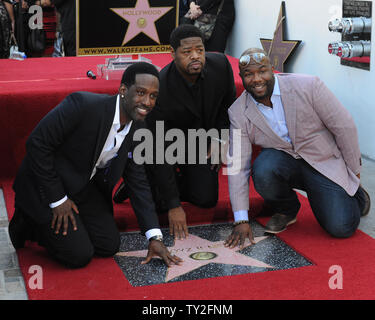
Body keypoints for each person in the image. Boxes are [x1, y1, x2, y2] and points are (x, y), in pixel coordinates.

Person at [9, 62, 182, 268]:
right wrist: (57, 200)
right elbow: (37, 144)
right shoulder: (83, 104)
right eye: (141, 92)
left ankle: (68, 228)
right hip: (45, 185)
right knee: (79, 255)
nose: (147, 102)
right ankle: (26, 221)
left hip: (83, 185)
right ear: (123, 90)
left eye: (153, 96)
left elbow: (137, 179)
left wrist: (154, 237)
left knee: (108, 245)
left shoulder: (139, 126)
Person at [224, 48, 371, 249]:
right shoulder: (238, 112)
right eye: (249, 74)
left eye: (262, 71)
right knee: (263, 168)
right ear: (241, 77)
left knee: (341, 227)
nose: (257, 79)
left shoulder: (308, 85)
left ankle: (358, 196)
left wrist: (354, 171)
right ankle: (287, 209)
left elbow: (344, 127)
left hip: (323, 161)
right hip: (284, 162)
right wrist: (241, 219)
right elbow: (238, 164)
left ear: (273, 69)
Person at [113, 24, 236, 240]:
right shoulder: (159, 89)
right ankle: (144, 182)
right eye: (187, 52)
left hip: (198, 143)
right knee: (160, 204)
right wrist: (173, 205)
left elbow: (228, 108)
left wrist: (220, 137)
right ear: (173, 54)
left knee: (206, 198)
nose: (195, 56)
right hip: (163, 146)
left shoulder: (221, 66)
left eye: (199, 50)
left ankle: (168, 182)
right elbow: (158, 149)